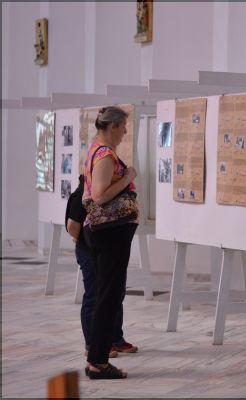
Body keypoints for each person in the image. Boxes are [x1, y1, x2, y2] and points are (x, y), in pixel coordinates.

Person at [82, 106, 139, 379]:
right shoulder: (105, 155)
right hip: (110, 234)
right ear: (113, 126)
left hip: (104, 233)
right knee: (109, 297)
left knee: (107, 296)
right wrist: (127, 178)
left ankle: (96, 358)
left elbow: (90, 195)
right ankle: (98, 363)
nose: (125, 131)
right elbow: (99, 196)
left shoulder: (95, 150)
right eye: (123, 126)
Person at [66, 175, 139, 365]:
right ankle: (92, 344)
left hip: (106, 248)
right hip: (88, 250)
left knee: (114, 293)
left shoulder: (107, 191)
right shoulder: (81, 193)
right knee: (94, 295)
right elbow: (72, 226)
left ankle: (115, 339)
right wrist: (84, 242)